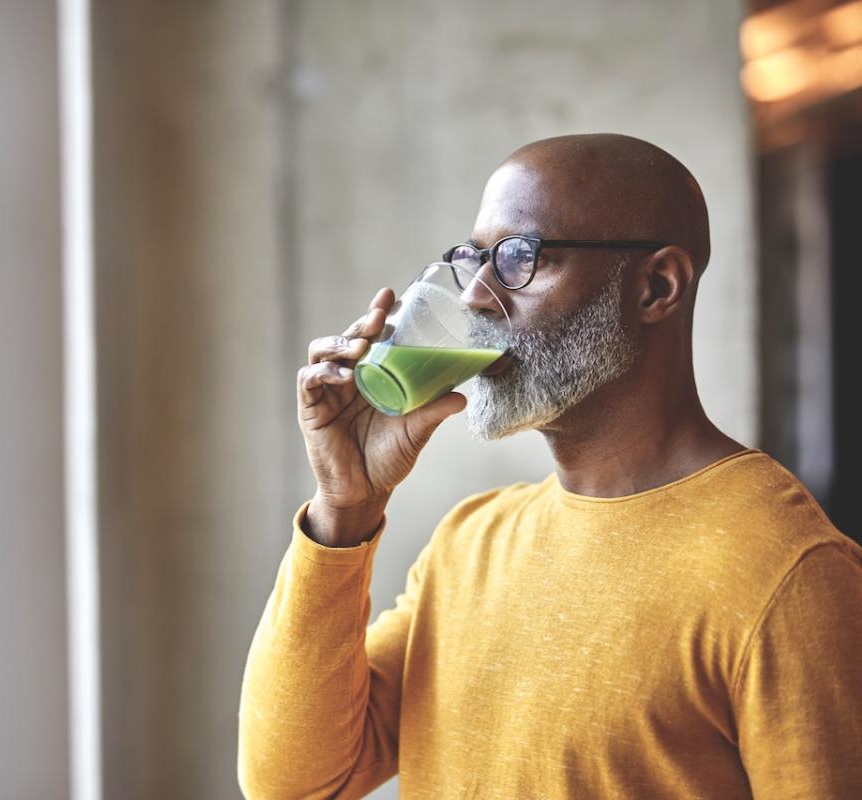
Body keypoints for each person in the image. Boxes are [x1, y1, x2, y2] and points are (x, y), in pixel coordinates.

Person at [237, 133, 862, 799]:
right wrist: (344, 507)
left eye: (518, 257)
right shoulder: (469, 543)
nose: (476, 296)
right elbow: (293, 782)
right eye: (474, 259)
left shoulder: (790, 573)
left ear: (656, 286)